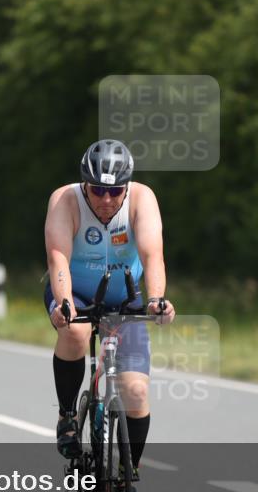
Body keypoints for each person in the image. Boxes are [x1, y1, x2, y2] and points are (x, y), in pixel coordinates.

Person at [43, 139, 176, 474]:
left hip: (124, 297)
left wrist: (156, 299)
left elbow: (152, 255)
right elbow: (58, 258)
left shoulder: (142, 198)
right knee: (75, 333)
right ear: (84, 184)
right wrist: (64, 303)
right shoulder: (65, 200)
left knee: (136, 391)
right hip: (75, 293)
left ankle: (129, 470)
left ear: (126, 186)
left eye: (115, 191)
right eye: (97, 190)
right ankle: (67, 416)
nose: (106, 199)